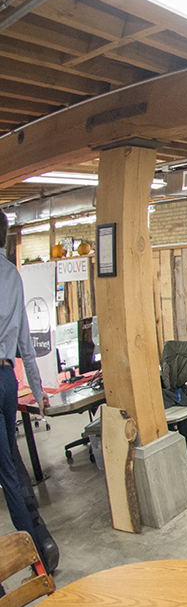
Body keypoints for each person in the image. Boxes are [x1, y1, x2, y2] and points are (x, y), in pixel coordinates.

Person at [0, 211, 59, 574]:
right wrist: (37, 391)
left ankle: (34, 553)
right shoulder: (11, 274)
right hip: (7, 381)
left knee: (7, 470)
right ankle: (39, 543)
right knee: (11, 467)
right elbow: (25, 341)